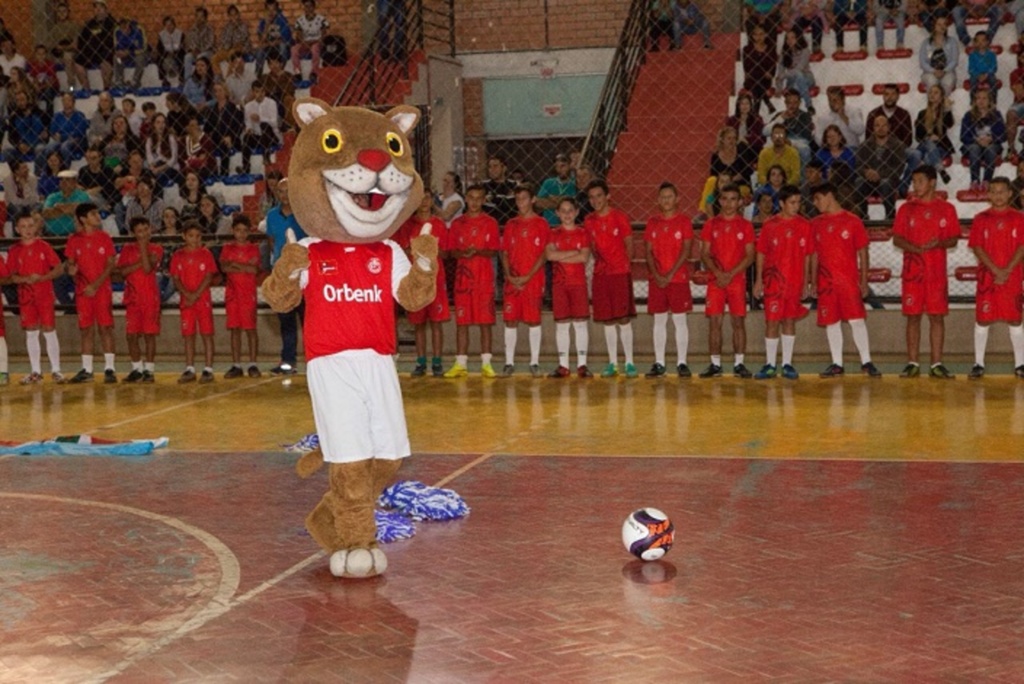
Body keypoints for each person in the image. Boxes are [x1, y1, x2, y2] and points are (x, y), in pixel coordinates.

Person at [892, 165, 961, 378]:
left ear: (932, 182)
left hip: (936, 273)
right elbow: (897, 238)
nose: (916, 185)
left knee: (936, 317)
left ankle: (936, 363)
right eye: (914, 181)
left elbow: (954, 238)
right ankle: (912, 362)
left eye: (920, 180)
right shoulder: (906, 208)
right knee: (913, 317)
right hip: (913, 272)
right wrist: (916, 248)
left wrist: (938, 243)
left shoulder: (947, 209)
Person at [809, 183, 882, 377]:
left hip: (849, 281)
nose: (815, 204)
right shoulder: (816, 223)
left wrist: (864, 280)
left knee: (856, 320)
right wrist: (813, 281)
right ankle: (837, 363)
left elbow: (863, 252)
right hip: (826, 282)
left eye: (817, 198)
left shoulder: (853, 221)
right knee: (831, 322)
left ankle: (866, 361)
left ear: (829, 195)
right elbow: (814, 254)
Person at [753, 185, 813, 380]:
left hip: (794, 281)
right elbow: (761, 253)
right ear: (781, 203)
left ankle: (787, 363)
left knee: (789, 320)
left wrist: (806, 282)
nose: (796, 206)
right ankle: (770, 364)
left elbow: (807, 256)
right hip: (773, 283)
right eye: (792, 202)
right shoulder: (770, 225)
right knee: (772, 321)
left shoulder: (804, 225)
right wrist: (759, 280)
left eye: (798, 202)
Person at [968, 177, 1024, 378]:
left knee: (1015, 319)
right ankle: (978, 363)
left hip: (1012, 276)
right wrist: (995, 270)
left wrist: (1007, 271)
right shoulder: (981, 219)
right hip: (988, 278)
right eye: (994, 191)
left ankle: (1020, 364)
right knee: (983, 320)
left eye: (1002, 191)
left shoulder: (1019, 218)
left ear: (1010, 193)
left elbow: (1021, 247)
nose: (998, 195)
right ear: (988, 194)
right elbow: (977, 246)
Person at [698, 184, 755, 378]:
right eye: (725, 199)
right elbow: (704, 253)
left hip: (736, 280)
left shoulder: (745, 226)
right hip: (716, 280)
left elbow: (750, 256)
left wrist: (730, 274)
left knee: (738, 321)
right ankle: (715, 364)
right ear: (719, 200)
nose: (729, 203)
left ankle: (739, 363)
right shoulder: (710, 225)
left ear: (739, 202)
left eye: (733, 199)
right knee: (715, 322)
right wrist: (718, 273)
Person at [443, 184, 500, 378]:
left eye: (479, 198)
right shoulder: (458, 223)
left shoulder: (490, 222)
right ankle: (461, 363)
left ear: (484, 200)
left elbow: (493, 250)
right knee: (462, 323)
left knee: (485, 322)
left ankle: (486, 363)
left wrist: (478, 251)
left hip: (483, 280)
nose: (474, 202)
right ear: (465, 199)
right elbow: (451, 251)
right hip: (463, 281)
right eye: (471, 197)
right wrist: (463, 253)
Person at [584, 180, 637, 378]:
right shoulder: (589, 221)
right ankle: (613, 362)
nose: (595, 200)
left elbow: (629, 245)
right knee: (607, 319)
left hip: (619, 273)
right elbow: (592, 249)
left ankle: (630, 362)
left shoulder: (620, 218)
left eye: (599, 195)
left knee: (623, 318)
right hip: (601, 274)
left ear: (608, 196)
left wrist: (624, 267)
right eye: (591, 197)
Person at [7, 211, 64, 384]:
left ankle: (56, 370)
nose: (27, 230)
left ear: (36, 226)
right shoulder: (14, 250)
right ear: (17, 229)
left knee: (49, 330)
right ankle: (36, 371)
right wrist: (25, 279)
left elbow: (58, 268)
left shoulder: (44, 247)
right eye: (23, 227)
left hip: (44, 293)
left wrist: (42, 277)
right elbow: (11, 275)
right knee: (31, 331)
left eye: (31, 226)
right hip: (26, 296)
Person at [643, 182, 694, 378]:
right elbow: (647, 251)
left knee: (680, 320)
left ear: (677, 199)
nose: (666, 200)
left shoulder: (684, 221)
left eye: (669, 196)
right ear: (658, 200)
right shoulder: (652, 222)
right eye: (662, 197)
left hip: (678, 278)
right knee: (659, 320)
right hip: (657, 279)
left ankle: (682, 362)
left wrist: (671, 273)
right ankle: (659, 362)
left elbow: (686, 250)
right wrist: (657, 274)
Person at [397, 193, 450, 377]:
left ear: (432, 201)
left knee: (436, 322)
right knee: (418, 323)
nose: (424, 202)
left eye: (427, 198)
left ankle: (437, 361)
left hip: (435, 279)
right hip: (416, 279)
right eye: (420, 198)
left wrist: (429, 249)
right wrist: (416, 250)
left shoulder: (439, 225)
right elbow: (403, 250)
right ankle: (420, 361)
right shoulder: (408, 225)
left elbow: (446, 254)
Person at [65, 202, 118, 383]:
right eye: (93, 214)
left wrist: (96, 284)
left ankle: (110, 368)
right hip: (83, 291)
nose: (98, 217)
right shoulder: (74, 240)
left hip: (101, 289)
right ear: (83, 219)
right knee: (86, 329)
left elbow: (110, 264)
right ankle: (87, 369)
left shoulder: (104, 237)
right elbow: (71, 263)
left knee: (105, 328)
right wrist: (72, 270)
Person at [500, 183, 549, 377]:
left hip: (533, 280)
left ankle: (534, 362)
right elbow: (504, 253)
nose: (521, 203)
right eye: (518, 199)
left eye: (525, 198)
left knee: (533, 320)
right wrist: (509, 275)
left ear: (533, 200)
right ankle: (508, 362)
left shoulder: (541, 224)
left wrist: (528, 276)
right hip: (512, 281)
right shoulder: (511, 224)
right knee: (510, 321)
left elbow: (544, 253)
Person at [262, 178, 306, 374]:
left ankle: (317, 358)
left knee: (309, 320)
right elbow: (272, 241)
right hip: (282, 276)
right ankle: (288, 362)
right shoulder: (271, 216)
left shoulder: (305, 214)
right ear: (277, 194)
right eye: (281, 191)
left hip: (304, 275)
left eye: (288, 191)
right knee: (286, 321)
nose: (284, 195)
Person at [545, 197, 592, 377]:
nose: (566, 214)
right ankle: (563, 364)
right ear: (557, 213)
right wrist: (574, 252)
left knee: (580, 324)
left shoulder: (582, 233)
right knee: (562, 325)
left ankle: (582, 364)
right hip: (559, 284)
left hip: (578, 283)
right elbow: (549, 255)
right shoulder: (553, 233)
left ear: (577, 212)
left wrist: (560, 255)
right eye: (563, 211)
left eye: (570, 210)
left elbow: (584, 258)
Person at [117, 216, 163, 383]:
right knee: (131, 335)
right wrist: (138, 261)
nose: (143, 234)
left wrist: (143, 249)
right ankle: (136, 367)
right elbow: (121, 272)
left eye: (145, 230)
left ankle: (149, 370)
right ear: (133, 233)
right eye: (139, 231)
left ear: (150, 229)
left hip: (150, 297)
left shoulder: (156, 248)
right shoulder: (127, 249)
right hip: (133, 298)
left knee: (149, 334)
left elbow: (147, 267)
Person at [169, 221, 217, 383]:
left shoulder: (206, 254)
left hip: (202, 299)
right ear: (184, 236)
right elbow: (176, 278)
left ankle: (208, 368)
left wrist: (196, 294)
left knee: (206, 333)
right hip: (187, 301)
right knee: (188, 334)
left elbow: (209, 276)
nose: (195, 239)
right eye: (191, 236)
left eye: (198, 236)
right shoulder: (178, 255)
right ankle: (189, 368)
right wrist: (187, 294)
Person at [220, 214, 262, 379]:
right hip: (232, 295)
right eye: (238, 230)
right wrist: (244, 266)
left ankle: (253, 363)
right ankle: (236, 364)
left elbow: (254, 270)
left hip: (248, 295)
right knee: (235, 330)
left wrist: (235, 265)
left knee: (250, 329)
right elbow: (224, 267)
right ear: (233, 231)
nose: (241, 234)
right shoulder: (227, 248)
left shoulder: (253, 248)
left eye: (245, 231)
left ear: (249, 232)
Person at [857, 114, 905, 218]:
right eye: (877, 125)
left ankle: (890, 216)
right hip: (868, 181)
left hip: (889, 180)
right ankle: (863, 216)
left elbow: (899, 168)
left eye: (884, 125)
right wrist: (866, 172)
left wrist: (879, 174)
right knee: (858, 182)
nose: (880, 128)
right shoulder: (864, 146)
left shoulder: (898, 145)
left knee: (885, 183)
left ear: (889, 127)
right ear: (873, 128)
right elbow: (858, 166)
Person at [960, 88, 1005, 191]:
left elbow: (1003, 135)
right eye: (978, 98)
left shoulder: (996, 115)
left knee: (991, 148)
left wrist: (991, 138)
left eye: (984, 98)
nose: (981, 101)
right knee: (975, 148)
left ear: (990, 101)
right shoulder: (969, 115)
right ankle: (974, 181)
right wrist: (976, 140)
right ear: (974, 101)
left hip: (991, 145)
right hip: (973, 145)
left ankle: (987, 181)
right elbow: (963, 136)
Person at [914, 84, 955, 182]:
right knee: (928, 142)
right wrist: (929, 136)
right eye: (930, 92)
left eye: (936, 93)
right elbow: (917, 136)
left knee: (928, 158)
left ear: (941, 97)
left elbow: (949, 124)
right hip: (924, 145)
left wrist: (948, 109)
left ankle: (925, 182)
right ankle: (941, 170)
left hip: (940, 146)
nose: (932, 95)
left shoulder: (945, 113)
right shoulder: (922, 113)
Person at [764, 89, 815, 166]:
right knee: (766, 149)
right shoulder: (780, 114)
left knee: (805, 149)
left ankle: (802, 177)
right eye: (789, 102)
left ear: (799, 103)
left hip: (799, 142)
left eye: (795, 102)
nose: (792, 105)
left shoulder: (805, 116)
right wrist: (781, 118)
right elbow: (765, 132)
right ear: (785, 103)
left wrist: (791, 142)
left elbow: (807, 137)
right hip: (779, 141)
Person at [239, 79, 279, 174]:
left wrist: (260, 119)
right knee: (246, 137)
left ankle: (266, 157)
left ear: (265, 91)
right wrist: (249, 129)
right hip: (257, 137)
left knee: (264, 126)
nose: (260, 94)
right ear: (253, 92)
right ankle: (246, 167)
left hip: (271, 137)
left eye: (262, 91)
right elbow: (248, 122)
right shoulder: (248, 106)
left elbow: (275, 123)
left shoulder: (271, 103)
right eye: (257, 91)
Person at [76, 0, 116, 90]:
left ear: (105, 9)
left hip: (105, 51)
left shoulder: (111, 22)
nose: (98, 10)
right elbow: (82, 39)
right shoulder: (90, 24)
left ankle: (106, 88)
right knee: (78, 64)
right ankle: (86, 88)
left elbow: (113, 40)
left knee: (105, 64)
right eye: (96, 7)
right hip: (91, 51)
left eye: (100, 7)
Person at [44, 91, 88, 167]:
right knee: (48, 148)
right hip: (59, 140)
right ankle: (49, 170)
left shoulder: (80, 115)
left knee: (65, 147)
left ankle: (66, 168)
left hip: (76, 141)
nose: (66, 102)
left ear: (73, 102)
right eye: (64, 100)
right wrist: (59, 136)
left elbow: (79, 132)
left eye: (68, 100)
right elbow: (53, 130)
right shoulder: (57, 116)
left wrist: (63, 136)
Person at [776, 28, 815, 113]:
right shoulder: (784, 53)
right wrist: (778, 88)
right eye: (788, 38)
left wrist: (783, 76)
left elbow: (799, 69)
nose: (790, 40)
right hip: (792, 81)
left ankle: (809, 105)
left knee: (798, 75)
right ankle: (803, 109)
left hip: (807, 78)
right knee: (795, 87)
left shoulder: (805, 51)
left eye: (793, 37)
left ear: (798, 38)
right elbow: (780, 71)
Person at [742, 24, 778, 114]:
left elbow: (773, 66)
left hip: (765, 80)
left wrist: (769, 73)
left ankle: (755, 112)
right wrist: (764, 72)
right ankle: (767, 103)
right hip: (751, 80)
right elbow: (747, 67)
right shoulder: (747, 49)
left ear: (766, 34)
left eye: (761, 34)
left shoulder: (771, 49)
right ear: (753, 36)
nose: (759, 37)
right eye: (756, 34)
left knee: (757, 84)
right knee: (755, 78)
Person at [41, 169, 89, 237]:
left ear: (75, 182)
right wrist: (69, 209)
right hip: (50, 236)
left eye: (67, 180)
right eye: (61, 180)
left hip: (74, 236)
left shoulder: (82, 195)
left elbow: (78, 210)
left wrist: (57, 207)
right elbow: (46, 213)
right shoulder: (52, 196)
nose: (64, 182)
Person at [920, 14, 959, 95]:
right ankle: (933, 105)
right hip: (929, 72)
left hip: (948, 71)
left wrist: (944, 71)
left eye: (944, 24)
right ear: (934, 26)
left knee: (948, 81)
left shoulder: (952, 42)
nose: (942, 27)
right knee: (931, 81)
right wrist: (933, 71)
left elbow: (954, 61)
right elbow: (923, 62)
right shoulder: (926, 43)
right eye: (939, 24)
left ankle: (943, 104)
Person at [292, 0, 329, 82]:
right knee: (294, 49)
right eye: (306, 6)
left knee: (314, 48)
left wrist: (315, 41)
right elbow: (299, 36)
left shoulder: (321, 19)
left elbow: (324, 35)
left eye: (310, 6)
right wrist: (304, 42)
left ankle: (314, 73)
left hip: (317, 43)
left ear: (314, 7)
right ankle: (297, 73)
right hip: (305, 43)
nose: (308, 9)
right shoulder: (300, 20)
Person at [536, 154, 577, 226]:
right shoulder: (548, 182)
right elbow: (538, 203)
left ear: (570, 165)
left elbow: (577, 204)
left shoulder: (575, 183)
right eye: (556, 167)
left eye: (563, 166)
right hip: (550, 225)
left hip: (569, 225)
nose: (560, 169)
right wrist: (564, 201)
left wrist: (551, 199)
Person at [254, 0, 292, 76]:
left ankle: (281, 71)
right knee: (259, 51)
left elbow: (285, 39)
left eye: (273, 10)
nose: (271, 13)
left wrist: (272, 43)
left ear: (277, 10)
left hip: (279, 46)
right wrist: (266, 26)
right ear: (265, 11)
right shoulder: (263, 22)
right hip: (268, 47)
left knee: (283, 47)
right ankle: (258, 75)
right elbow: (261, 41)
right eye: (268, 10)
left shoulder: (282, 20)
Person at [757, 123, 802, 188]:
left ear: (785, 137)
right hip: (769, 188)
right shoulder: (764, 153)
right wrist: (772, 186)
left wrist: (783, 187)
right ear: (772, 137)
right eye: (775, 134)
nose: (778, 137)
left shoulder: (793, 153)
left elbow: (796, 176)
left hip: (787, 188)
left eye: (781, 135)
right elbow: (761, 175)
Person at [78, 145, 119, 211]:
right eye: (89, 158)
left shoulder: (107, 170)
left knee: (86, 197)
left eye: (94, 158)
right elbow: (79, 185)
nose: (91, 161)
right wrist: (88, 191)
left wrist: (91, 191)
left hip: (104, 200)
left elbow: (106, 189)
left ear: (100, 158)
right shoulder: (83, 170)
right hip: (87, 195)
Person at [146, 112, 182, 187]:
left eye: (163, 122)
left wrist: (159, 169)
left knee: (161, 176)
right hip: (156, 166)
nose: (161, 125)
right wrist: (153, 167)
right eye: (158, 122)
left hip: (170, 167)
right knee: (145, 174)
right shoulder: (150, 140)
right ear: (153, 124)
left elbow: (174, 159)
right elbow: (149, 156)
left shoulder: (170, 138)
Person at [112, 16, 148, 90]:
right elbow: (116, 46)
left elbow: (144, 48)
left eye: (125, 26)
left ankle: (135, 81)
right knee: (116, 59)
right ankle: (119, 81)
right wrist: (120, 52)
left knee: (141, 59)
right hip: (124, 55)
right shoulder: (117, 31)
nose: (124, 29)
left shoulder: (139, 30)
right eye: (122, 27)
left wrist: (130, 52)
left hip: (137, 54)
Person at [213, 5, 251, 73]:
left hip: (241, 48)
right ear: (229, 16)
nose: (233, 17)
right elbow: (223, 40)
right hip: (228, 49)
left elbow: (241, 40)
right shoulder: (227, 27)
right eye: (231, 15)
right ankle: (219, 77)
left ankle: (229, 77)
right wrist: (224, 46)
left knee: (232, 53)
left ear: (238, 15)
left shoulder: (243, 25)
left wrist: (235, 28)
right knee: (214, 58)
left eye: (235, 15)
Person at [482, 155, 517, 225]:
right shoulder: (483, 186)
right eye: (489, 167)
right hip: (489, 226)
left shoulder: (514, 185)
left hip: (510, 226)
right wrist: (506, 199)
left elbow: (513, 206)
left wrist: (493, 199)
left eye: (495, 166)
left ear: (504, 168)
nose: (492, 169)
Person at [183, 7, 215, 80]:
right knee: (187, 57)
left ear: (205, 18)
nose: (199, 18)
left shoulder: (209, 29)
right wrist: (193, 49)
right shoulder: (192, 29)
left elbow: (210, 43)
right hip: (194, 52)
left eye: (201, 16)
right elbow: (189, 41)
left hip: (207, 52)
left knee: (201, 56)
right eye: (197, 16)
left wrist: (200, 50)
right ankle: (187, 80)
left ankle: (201, 78)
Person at [967, 30, 999, 105]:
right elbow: (971, 68)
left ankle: (993, 100)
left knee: (993, 80)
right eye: (978, 41)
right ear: (974, 43)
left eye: (983, 40)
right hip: (976, 74)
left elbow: (994, 67)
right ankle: (973, 100)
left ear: (988, 42)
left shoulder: (991, 54)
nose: (980, 43)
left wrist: (986, 74)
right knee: (972, 81)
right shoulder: (972, 55)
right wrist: (978, 75)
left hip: (988, 74)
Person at [156, 15, 184, 86]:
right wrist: (167, 52)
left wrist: (175, 51)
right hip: (166, 53)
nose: (169, 27)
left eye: (170, 24)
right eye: (166, 25)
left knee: (182, 58)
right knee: (159, 59)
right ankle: (164, 79)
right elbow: (159, 48)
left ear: (174, 25)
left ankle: (181, 79)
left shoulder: (180, 34)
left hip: (178, 52)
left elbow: (182, 46)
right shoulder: (162, 35)